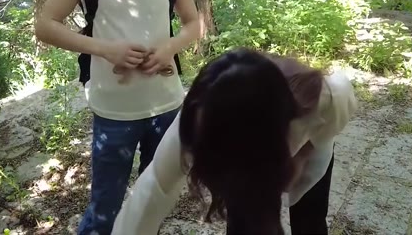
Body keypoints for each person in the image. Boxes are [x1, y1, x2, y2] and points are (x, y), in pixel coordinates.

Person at [35, 0, 201, 235]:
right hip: (114, 112)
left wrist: (169, 47)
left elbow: (194, 24)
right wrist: (106, 49)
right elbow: (44, 25)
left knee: (154, 199)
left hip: (167, 106)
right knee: (105, 207)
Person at [111, 48, 359, 235]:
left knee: (310, 222)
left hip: (300, 148)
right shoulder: (188, 136)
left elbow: (326, 131)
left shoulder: (328, 98)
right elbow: (145, 201)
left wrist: (301, 157)